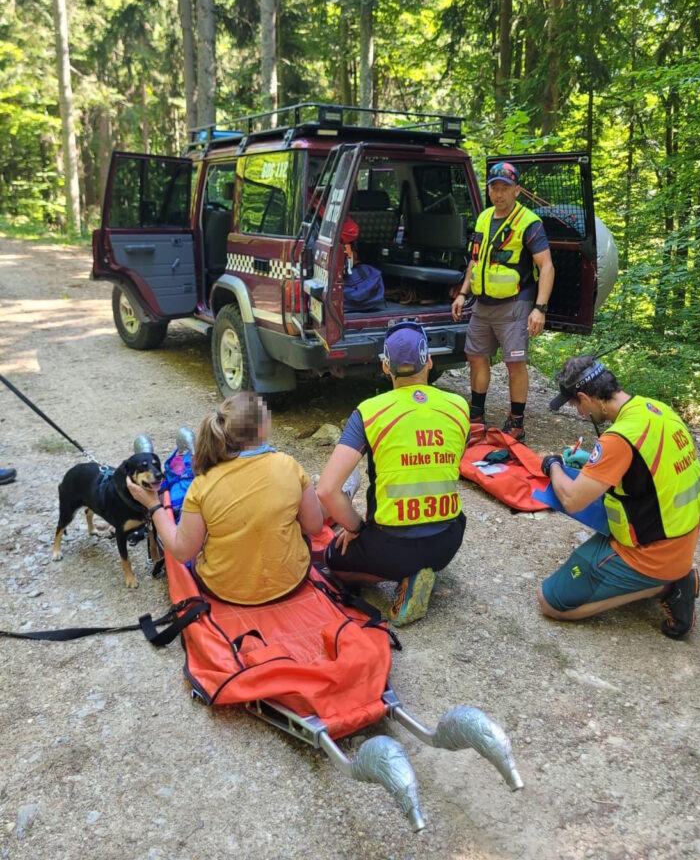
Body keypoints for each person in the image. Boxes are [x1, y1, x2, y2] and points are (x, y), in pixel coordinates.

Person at [539, 355, 700, 639]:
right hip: (682, 537)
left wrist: (553, 464)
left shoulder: (619, 439)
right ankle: (667, 575)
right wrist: (591, 461)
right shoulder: (656, 409)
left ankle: (667, 586)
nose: (579, 412)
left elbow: (572, 500)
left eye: (576, 405)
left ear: (585, 397)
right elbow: (648, 467)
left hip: (653, 553)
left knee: (550, 602)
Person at [316, 321, 470, 627]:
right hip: (447, 542)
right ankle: (421, 569)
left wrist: (356, 528)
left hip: (390, 547)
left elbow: (327, 490)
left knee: (334, 559)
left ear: (386, 366)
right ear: (429, 361)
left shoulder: (369, 411)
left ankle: (404, 574)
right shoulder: (459, 407)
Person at [126, 392, 323, 606]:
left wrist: (152, 504)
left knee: (185, 519)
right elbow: (314, 525)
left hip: (225, 589)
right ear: (261, 429)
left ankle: (176, 458)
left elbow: (183, 552)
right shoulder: (289, 464)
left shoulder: (203, 483)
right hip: (291, 581)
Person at [451, 161, 555, 441]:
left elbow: (546, 266)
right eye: (494, 188)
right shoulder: (484, 218)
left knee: (514, 363)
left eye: (505, 188)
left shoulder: (529, 222)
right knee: (476, 357)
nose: (499, 194)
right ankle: (476, 417)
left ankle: (516, 422)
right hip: (482, 303)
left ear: (516, 191)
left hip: (515, 303)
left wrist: (540, 308)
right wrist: (463, 293)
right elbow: (475, 260)